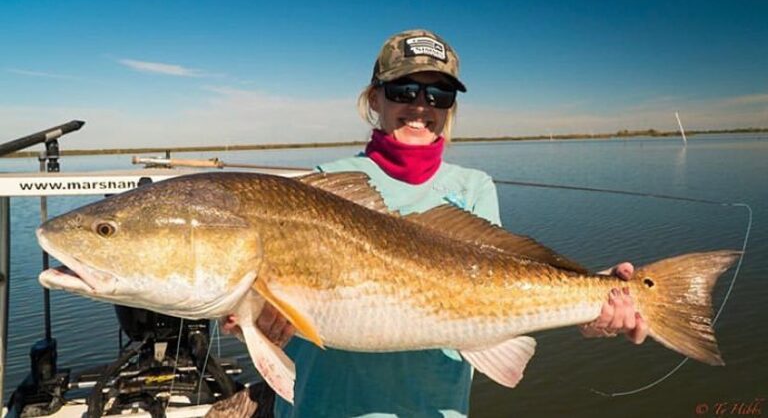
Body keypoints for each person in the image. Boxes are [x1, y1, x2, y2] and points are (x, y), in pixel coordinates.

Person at [226, 29, 648, 417]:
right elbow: (245, 296)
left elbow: (501, 286)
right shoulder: (322, 185)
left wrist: (594, 297)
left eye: (439, 94)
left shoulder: (473, 187)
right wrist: (248, 318)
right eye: (404, 89)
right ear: (375, 99)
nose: (420, 105)